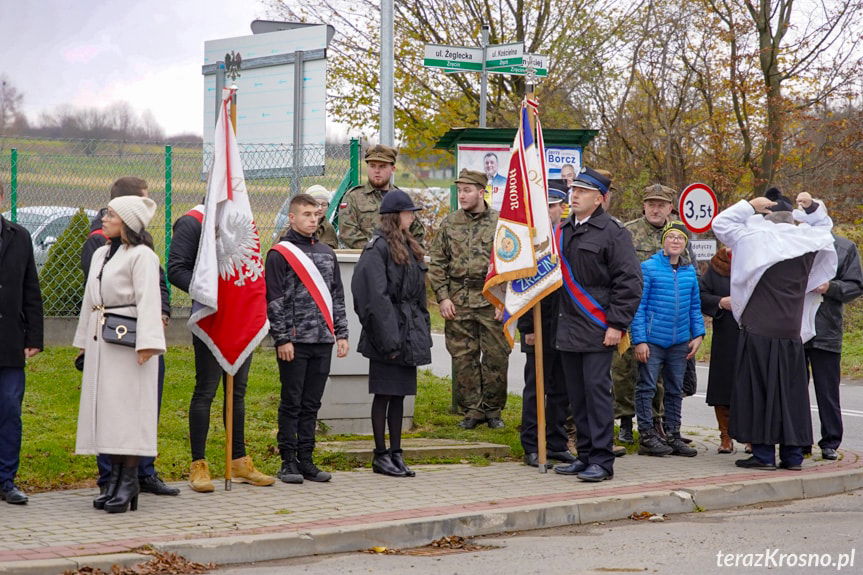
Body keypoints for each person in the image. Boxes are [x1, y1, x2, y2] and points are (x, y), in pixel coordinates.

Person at [712, 192, 836, 471]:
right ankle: (792, 456)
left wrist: (748, 206)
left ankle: (764, 455)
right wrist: (813, 206)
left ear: (765, 217)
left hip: (759, 328)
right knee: (792, 395)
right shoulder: (807, 242)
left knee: (759, 391)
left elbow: (720, 224)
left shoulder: (754, 239)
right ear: (792, 218)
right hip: (791, 330)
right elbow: (824, 226)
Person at [79, 176, 178, 498]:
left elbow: (149, 299)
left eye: (110, 215)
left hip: (130, 344)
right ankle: (115, 482)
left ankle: (128, 482)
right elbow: (91, 301)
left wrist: (147, 344)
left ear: (127, 223)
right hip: (103, 344)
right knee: (109, 411)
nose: (103, 219)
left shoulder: (142, 256)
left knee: (129, 413)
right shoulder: (101, 254)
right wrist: (83, 342)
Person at [167, 201, 274, 492]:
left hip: (239, 319)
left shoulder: (238, 222)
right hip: (211, 318)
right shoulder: (191, 223)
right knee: (206, 391)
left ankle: (238, 460)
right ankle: (198, 465)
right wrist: (212, 295)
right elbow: (176, 270)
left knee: (237, 392)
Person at [553, 167, 642, 482]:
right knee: (577, 397)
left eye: (582, 191)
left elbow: (629, 282)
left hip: (598, 327)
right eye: (573, 189)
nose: (573, 195)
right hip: (567, 327)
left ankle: (603, 461)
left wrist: (617, 324)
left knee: (597, 395)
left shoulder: (614, 233)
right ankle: (586, 455)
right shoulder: (563, 230)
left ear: (599, 198)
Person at [266, 194, 349, 484]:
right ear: (292, 217)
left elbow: (336, 295)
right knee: (292, 401)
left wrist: (341, 333)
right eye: (306, 214)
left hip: (322, 339)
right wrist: (282, 338)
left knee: (312, 403)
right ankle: (288, 460)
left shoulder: (327, 253)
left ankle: (307, 460)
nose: (313, 219)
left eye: (316, 214)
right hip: (294, 341)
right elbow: (275, 299)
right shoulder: (280, 253)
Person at [352, 190, 432, 477]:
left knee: (399, 395)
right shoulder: (378, 248)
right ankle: (380, 455)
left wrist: (420, 326)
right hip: (387, 334)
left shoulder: (408, 245)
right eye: (408, 212)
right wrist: (388, 339)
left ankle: (396, 453)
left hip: (406, 332)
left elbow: (418, 293)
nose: (412, 216)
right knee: (384, 394)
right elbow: (373, 296)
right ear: (395, 215)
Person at [428, 169, 510, 429]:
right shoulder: (450, 223)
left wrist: (504, 300)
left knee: (496, 356)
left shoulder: (501, 223)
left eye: (467, 190)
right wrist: (442, 297)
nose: (462, 195)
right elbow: (438, 263)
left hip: (490, 298)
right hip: (459, 298)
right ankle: (473, 410)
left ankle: (493, 410)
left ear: (481, 192)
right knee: (463, 357)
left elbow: (511, 263)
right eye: (459, 190)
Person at [614, 184, 695, 444]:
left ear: (670, 207)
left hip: (665, 316)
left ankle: (657, 422)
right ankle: (626, 421)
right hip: (631, 308)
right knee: (626, 370)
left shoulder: (679, 233)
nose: (655, 209)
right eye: (651, 204)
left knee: (660, 375)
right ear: (644, 206)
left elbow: (690, 273)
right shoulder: (628, 231)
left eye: (661, 204)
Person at [516, 180, 577, 467]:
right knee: (535, 389)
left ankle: (555, 442)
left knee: (560, 390)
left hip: (565, 325)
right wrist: (526, 328)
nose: (549, 210)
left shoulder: (568, 235)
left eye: (553, 206)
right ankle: (531, 443)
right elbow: (521, 287)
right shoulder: (531, 239)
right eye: (545, 205)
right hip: (538, 323)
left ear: (561, 208)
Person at [631, 221, 705, 457]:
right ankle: (647, 435)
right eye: (671, 237)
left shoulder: (689, 271)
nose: (675, 241)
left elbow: (695, 306)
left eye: (680, 238)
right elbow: (639, 307)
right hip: (653, 340)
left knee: (674, 390)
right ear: (663, 241)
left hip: (680, 342)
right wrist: (640, 340)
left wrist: (699, 334)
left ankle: (673, 435)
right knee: (647, 387)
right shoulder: (649, 268)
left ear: (685, 244)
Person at [803, 200, 863, 460]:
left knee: (827, 390)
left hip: (827, 329)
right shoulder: (796, 244)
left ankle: (830, 441)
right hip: (796, 328)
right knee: (795, 388)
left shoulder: (844, 247)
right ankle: (800, 439)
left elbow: (855, 286)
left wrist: (831, 287)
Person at [0, 181, 43, 505]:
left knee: (10, 411)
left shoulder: (19, 236)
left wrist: (34, 337)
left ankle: (6, 480)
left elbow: (31, 289)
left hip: (11, 343)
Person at [338, 145, 424, 249]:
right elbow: (347, 232)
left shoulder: (400, 198)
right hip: (363, 258)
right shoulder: (353, 196)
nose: (377, 171)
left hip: (397, 259)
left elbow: (416, 231)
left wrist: (404, 253)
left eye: (382, 166)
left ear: (393, 169)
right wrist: (375, 250)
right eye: (372, 166)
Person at [699, 246, 739, 453]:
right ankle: (725, 435)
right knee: (723, 385)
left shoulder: (757, 258)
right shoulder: (717, 265)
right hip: (726, 332)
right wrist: (720, 302)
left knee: (749, 385)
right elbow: (702, 294)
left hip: (753, 332)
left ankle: (752, 435)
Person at [304, 185, 339, 249]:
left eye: (324, 205)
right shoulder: (295, 226)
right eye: (316, 204)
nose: (320, 208)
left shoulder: (329, 229)